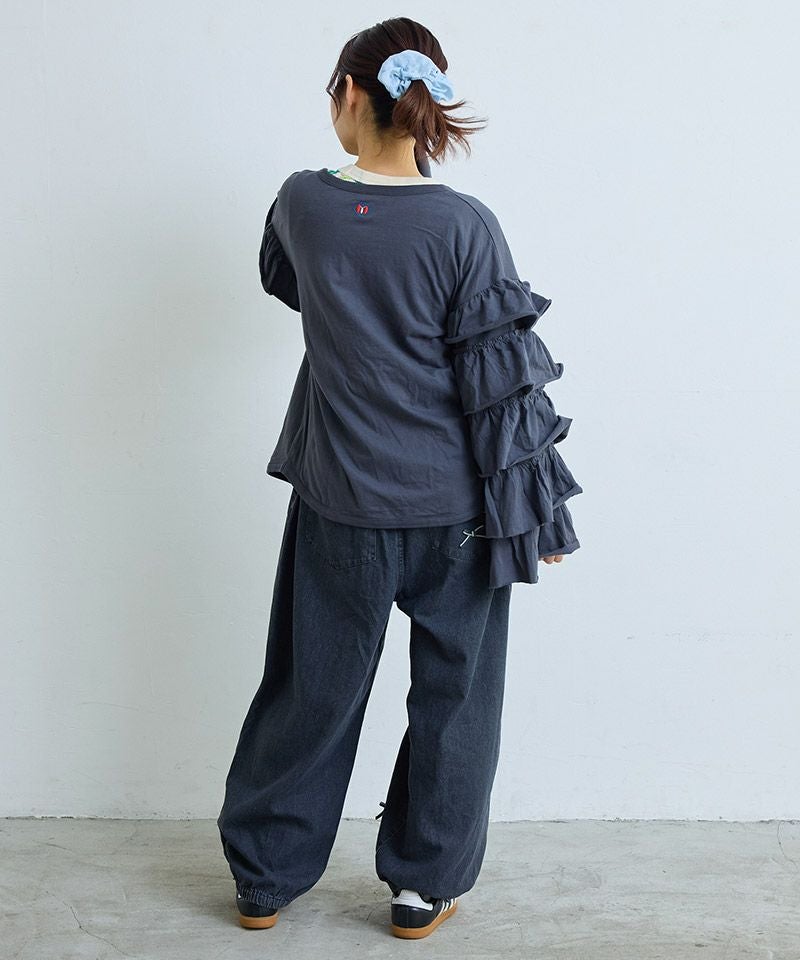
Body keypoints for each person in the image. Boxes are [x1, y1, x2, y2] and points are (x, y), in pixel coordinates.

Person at [216, 16, 583, 940]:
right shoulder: (465, 225)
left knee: (311, 690)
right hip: (460, 510)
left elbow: (284, 279)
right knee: (457, 698)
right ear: (423, 102)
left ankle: (264, 880)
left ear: (349, 94)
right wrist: (539, 511)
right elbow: (503, 375)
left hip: (341, 504)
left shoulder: (301, 202)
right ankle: (423, 889)